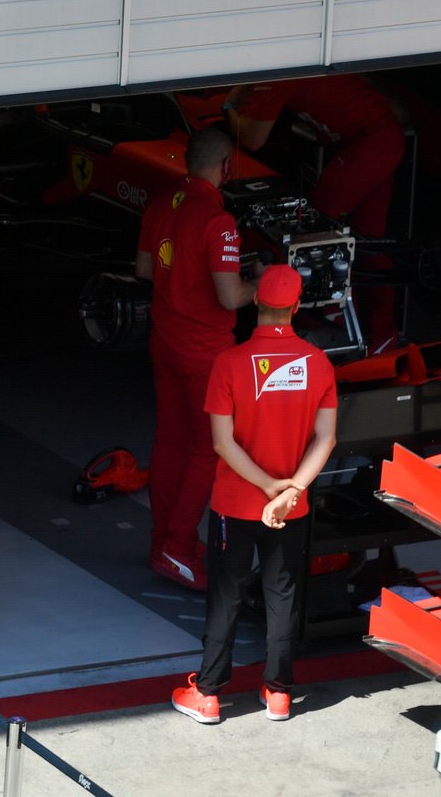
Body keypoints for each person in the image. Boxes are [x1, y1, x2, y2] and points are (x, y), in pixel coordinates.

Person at [171, 265, 338, 724]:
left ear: (256, 304)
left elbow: (223, 443)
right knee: (282, 593)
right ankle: (279, 693)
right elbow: (325, 439)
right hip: (292, 506)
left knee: (226, 593)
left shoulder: (228, 362)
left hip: (235, 504)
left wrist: (266, 487)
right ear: (297, 307)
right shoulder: (319, 364)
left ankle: (207, 694)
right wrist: (291, 491)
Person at [135, 127, 265, 591]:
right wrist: (261, 284)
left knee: (170, 441)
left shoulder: (158, 205)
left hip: (164, 343)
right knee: (208, 449)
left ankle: (161, 543)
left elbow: (144, 269)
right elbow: (231, 299)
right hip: (204, 354)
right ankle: (176, 547)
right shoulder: (218, 220)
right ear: (226, 167)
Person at [224, 74, 407, 351]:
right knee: (370, 241)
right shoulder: (280, 68)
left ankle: (335, 323)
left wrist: (228, 112)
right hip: (379, 138)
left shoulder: (278, 76)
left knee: (314, 231)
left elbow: (251, 139)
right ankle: (383, 335)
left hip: (368, 142)